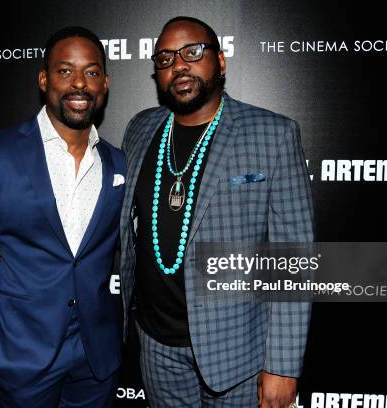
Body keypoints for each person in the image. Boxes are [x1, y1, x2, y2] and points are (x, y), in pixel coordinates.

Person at [119, 16, 314, 407]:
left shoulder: (272, 134)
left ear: (220, 62)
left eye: (193, 52)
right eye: (165, 58)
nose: (179, 65)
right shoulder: (140, 129)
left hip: (237, 353)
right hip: (156, 348)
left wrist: (283, 365)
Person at [0, 26, 125, 408]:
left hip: (97, 357)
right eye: (64, 70)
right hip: (21, 356)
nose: (78, 83)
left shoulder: (118, 161)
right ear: (44, 79)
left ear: (104, 83)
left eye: (90, 72)